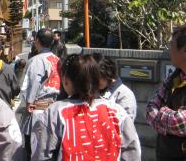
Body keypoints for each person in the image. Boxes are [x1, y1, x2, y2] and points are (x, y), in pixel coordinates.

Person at [31, 54, 141, 160]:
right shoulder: (117, 111)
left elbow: (42, 153)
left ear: (66, 80)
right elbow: (132, 150)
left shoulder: (54, 112)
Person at [146, 25, 186, 160]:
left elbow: (182, 123)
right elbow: (150, 108)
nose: (169, 49)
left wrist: (161, 112)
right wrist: (169, 117)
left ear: (184, 51)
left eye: (172, 44)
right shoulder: (174, 77)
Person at [20, 28, 61, 161]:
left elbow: (34, 83)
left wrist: (29, 102)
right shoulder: (57, 59)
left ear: (37, 41)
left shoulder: (37, 60)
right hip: (53, 105)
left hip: (38, 108)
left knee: (34, 146)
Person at [93, 53, 137, 120]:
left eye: (97, 77)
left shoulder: (124, 94)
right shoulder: (91, 90)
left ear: (107, 74)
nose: (94, 81)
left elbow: (126, 124)